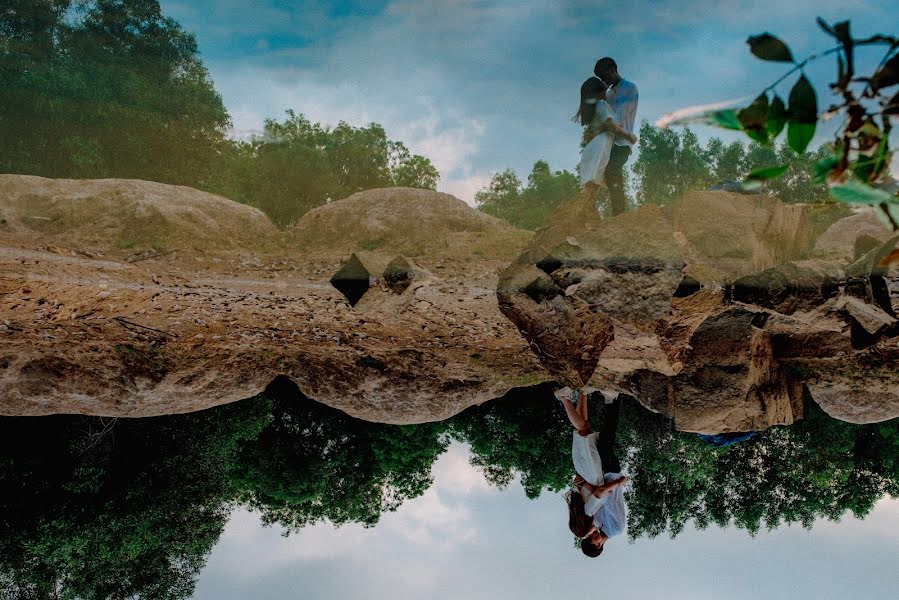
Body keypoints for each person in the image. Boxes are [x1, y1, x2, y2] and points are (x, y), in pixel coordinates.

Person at [558, 387, 628, 557]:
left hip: (602, 475)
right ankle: (610, 399)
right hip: (611, 476)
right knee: (604, 440)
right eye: (593, 540)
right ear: (598, 546)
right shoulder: (616, 529)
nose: (593, 535)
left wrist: (585, 484)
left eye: (590, 537)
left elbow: (597, 498)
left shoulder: (596, 522)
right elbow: (606, 500)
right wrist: (618, 483)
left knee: (601, 438)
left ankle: (605, 398)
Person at [575, 77, 637, 204]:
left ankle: (585, 213)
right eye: (601, 83)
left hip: (592, 147)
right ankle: (583, 211)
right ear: (598, 91)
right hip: (601, 146)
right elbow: (612, 125)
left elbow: (592, 131)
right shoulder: (602, 104)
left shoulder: (592, 108)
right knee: (596, 180)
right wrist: (629, 135)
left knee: (592, 182)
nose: (604, 84)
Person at [594, 57, 639, 216]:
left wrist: (605, 125)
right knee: (607, 174)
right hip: (609, 142)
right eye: (600, 78)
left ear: (612, 69)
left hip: (623, 141)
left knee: (612, 170)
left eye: (604, 75)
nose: (603, 80)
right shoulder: (608, 94)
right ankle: (616, 214)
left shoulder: (630, 88)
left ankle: (619, 215)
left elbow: (617, 118)